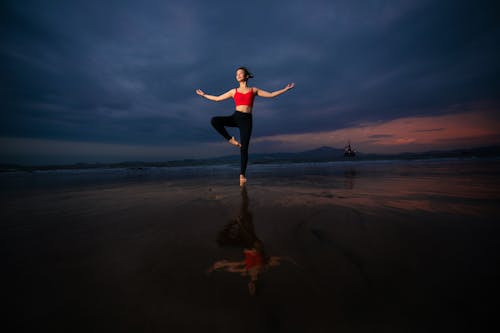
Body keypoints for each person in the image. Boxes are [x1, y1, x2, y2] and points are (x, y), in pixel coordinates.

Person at [196, 67, 294, 186]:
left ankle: (242, 175)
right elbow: (217, 99)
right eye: (236, 74)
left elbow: (271, 95)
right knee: (214, 120)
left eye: (240, 73)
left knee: (244, 148)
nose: (237, 75)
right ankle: (230, 139)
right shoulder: (234, 91)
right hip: (235, 117)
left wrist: (285, 89)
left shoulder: (253, 90)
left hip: (246, 120)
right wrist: (204, 95)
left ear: (246, 76)